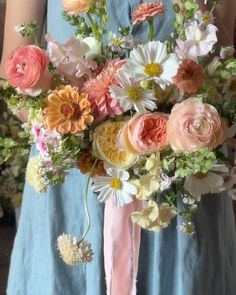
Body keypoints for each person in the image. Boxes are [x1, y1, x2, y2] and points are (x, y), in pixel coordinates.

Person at [0, 0, 236, 294]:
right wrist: (81, 134)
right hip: (76, 176)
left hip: (179, 180)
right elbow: (12, 75)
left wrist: (163, 137)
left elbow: (226, 68)